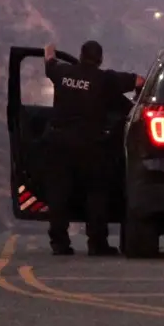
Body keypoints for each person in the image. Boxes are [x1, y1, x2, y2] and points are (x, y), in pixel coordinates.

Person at [43, 39, 144, 257]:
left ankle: (59, 243)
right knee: (96, 194)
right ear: (99, 59)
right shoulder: (106, 79)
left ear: (80, 55)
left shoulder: (63, 73)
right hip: (90, 145)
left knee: (59, 193)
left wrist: (50, 48)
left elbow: (49, 61)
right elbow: (139, 81)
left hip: (59, 142)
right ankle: (97, 244)